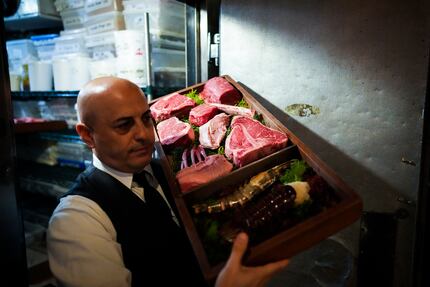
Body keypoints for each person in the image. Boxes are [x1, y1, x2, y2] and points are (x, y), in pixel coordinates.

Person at [47, 77, 289, 287]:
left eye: (145, 119)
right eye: (124, 125)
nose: (144, 134)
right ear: (87, 135)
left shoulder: (168, 171)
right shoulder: (76, 220)